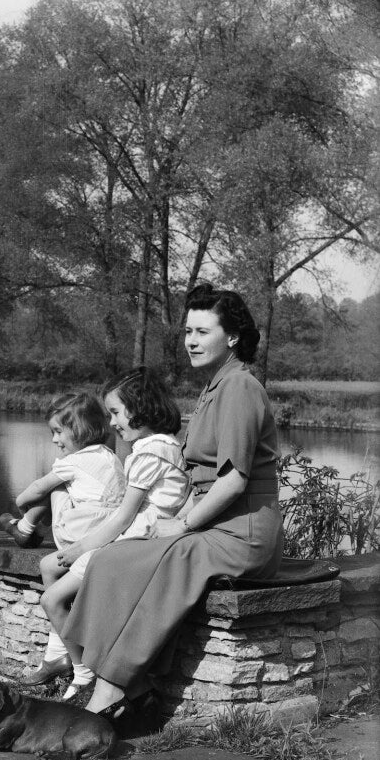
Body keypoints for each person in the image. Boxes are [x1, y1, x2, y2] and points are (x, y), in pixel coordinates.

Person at [61, 283, 284, 718]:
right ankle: (131, 683)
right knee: (112, 559)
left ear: (232, 337)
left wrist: (182, 525)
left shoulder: (239, 387)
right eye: (187, 332)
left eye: (202, 331)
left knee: (166, 562)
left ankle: (111, 692)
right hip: (216, 526)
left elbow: (233, 481)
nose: (191, 341)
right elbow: (199, 479)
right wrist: (180, 519)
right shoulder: (215, 387)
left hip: (244, 534)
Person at [40, 367, 190, 700]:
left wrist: (82, 547)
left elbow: (124, 517)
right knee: (50, 568)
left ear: (139, 408)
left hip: (138, 542)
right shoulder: (162, 446)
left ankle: (83, 672)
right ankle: (64, 657)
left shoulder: (151, 451)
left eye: (116, 412)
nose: (111, 423)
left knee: (52, 598)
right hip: (139, 537)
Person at [0, 392, 126, 688]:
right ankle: (56, 656)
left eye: (58, 432)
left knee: (56, 487)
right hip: (105, 537)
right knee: (48, 566)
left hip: (78, 539)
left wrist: (21, 503)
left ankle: (25, 527)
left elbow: (33, 491)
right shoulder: (111, 456)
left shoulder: (75, 461)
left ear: (79, 429)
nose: (55, 440)